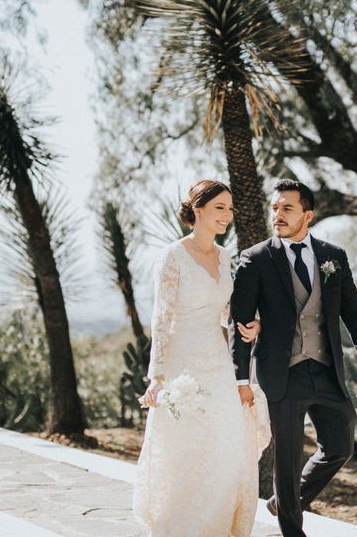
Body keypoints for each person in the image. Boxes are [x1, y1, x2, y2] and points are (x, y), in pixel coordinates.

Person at [229, 179, 357, 537]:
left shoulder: (333, 256)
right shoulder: (256, 259)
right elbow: (239, 321)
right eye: (274, 207)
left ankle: (284, 500)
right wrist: (241, 379)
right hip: (282, 373)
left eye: (287, 208)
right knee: (286, 459)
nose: (278, 215)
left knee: (340, 445)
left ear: (307, 215)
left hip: (326, 370)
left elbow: (355, 313)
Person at [132, 179, 268, 537]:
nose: (228, 215)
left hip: (218, 359)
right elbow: (162, 318)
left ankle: (219, 525)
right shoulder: (172, 257)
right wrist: (156, 377)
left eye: (230, 208)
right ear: (199, 210)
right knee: (187, 447)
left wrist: (247, 325)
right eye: (220, 207)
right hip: (182, 363)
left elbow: (223, 310)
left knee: (226, 442)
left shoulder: (225, 257)